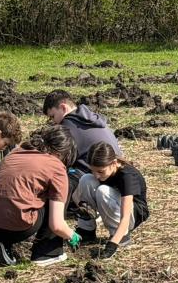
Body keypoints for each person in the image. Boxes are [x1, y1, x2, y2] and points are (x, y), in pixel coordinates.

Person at [0, 125, 82, 267]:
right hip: (14, 228)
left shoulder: (17, 152)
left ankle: (3, 244)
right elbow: (57, 225)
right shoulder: (57, 167)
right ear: (63, 154)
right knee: (56, 194)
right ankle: (47, 253)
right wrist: (72, 235)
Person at [43, 89, 121, 242]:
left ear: (63, 107)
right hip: (111, 175)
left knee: (61, 179)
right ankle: (86, 224)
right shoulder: (90, 118)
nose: (54, 122)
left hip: (97, 174)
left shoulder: (68, 126)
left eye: (53, 116)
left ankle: (58, 222)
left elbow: (59, 160)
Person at [72, 142, 149, 259]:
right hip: (115, 204)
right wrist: (83, 207)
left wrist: (113, 245)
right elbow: (76, 196)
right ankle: (86, 231)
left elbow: (125, 217)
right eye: (93, 170)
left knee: (103, 191)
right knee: (86, 179)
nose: (96, 175)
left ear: (114, 163)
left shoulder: (127, 176)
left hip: (133, 214)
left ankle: (120, 236)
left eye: (100, 171)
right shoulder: (101, 172)